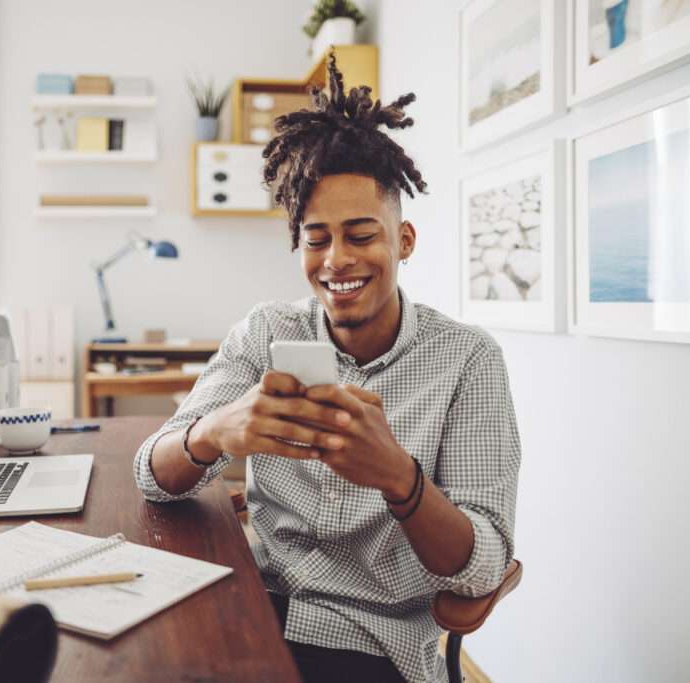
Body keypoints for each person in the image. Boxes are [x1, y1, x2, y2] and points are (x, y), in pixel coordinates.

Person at [133, 55, 521, 683]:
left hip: (376, 646)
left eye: (362, 235)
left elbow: (482, 567)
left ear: (405, 240)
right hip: (256, 610)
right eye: (316, 239)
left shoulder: (467, 362)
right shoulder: (265, 333)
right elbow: (149, 474)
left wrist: (400, 479)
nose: (337, 260)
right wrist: (213, 432)